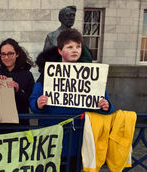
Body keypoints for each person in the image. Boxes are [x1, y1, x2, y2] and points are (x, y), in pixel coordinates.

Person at [30, 28, 114, 171]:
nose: (75, 50)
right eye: (70, 47)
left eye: (78, 46)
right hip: (51, 137)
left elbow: (104, 101)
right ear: (60, 51)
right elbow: (33, 102)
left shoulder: (91, 75)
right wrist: (38, 104)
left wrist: (106, 106)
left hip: (77, 138)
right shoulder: (47, 74)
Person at [0, 38, 35, 134]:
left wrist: (18, 90)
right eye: (3, 54)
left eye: (10, 53)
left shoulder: (27, 75)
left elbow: (30, 102)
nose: (6, 57)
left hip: (20, 127)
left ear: (17, 54)